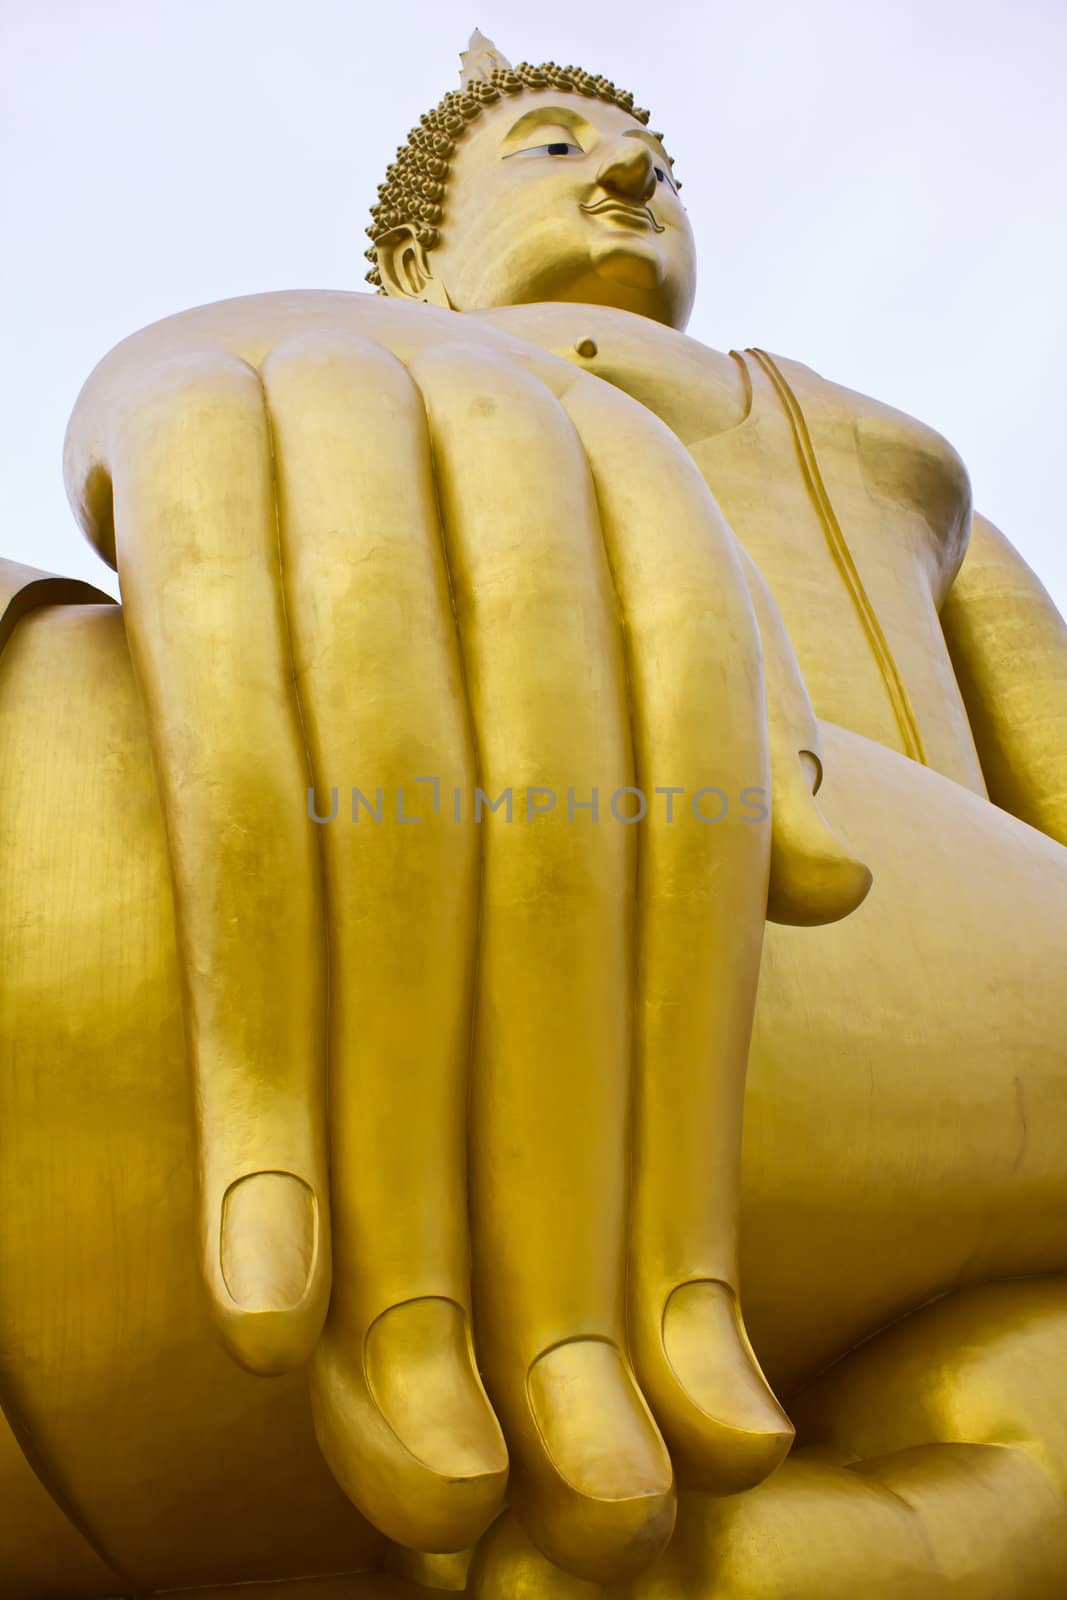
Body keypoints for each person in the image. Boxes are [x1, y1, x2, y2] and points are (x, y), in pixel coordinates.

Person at [1, 32, 1065, 1600]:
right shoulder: (353, 375)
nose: (628, 175)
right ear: (423, 255)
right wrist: (197, 366)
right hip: (408, 923)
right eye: (551, 150)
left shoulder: (895, 468)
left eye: (650, 161)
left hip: (870, 1008)